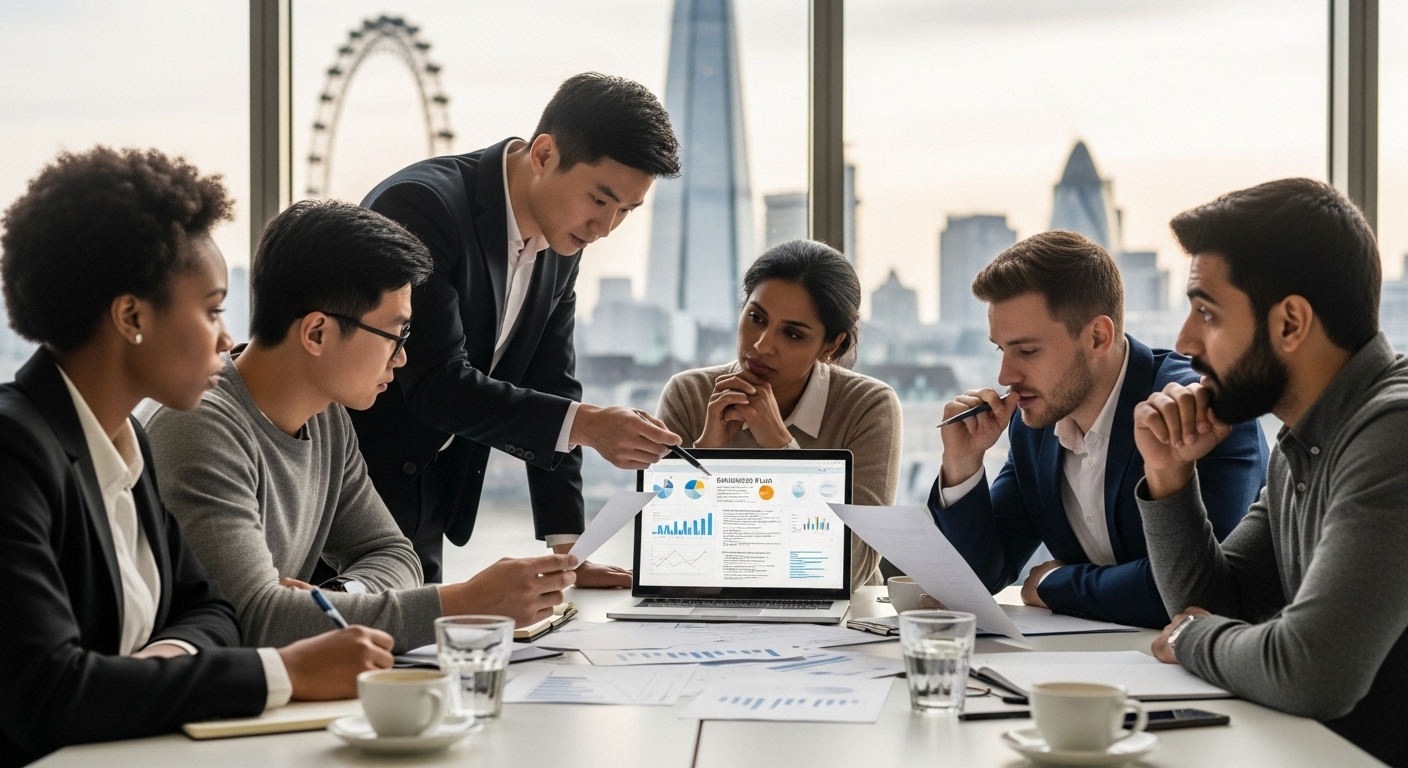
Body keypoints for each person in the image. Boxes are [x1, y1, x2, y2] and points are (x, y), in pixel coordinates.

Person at [0, 147, 393, 766]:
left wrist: (156, 661)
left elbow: (210, 612)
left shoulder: (125, 443)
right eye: (211, 309)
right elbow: (51, 692)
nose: (227, 337)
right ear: (131, 316)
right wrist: (283, 672)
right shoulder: (15, 451)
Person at [144, 200, 579, 651]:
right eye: (396, 336)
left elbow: (393, 553)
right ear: (316, 332)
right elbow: (255, 621)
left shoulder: (327, 417)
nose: (403, 358)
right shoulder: (199, 429)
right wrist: (464, 603)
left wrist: (335, 599)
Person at [350, 72, 684, 584]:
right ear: (545, 154)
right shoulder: (421, 207)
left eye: (627, 211)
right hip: (348, 489)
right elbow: (434, 382)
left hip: (430, 494)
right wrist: (591, 425)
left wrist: (569, 551)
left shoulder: (562, 242)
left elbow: (552, 385)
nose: (605, 228)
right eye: (599, 200)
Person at [1134, 178, 1408, 766]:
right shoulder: (1302, 440)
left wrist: (1188, 639)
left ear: (1289, 323)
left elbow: (1312, 670)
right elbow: (1215, 602)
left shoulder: (1394, 432)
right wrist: (1170, 475)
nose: (1184, 342)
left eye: (1206, 312)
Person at [928, 231, 1268, 628]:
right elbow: (978, 577)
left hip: (1206, 671)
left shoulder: (1198, 408)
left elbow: (1192, 592)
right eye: (1001, 349)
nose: (1006, 375)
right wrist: (962, 464)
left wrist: (1055, 583)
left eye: (1027, 351)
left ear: (1097, 337)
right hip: (1092, 662)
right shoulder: (1035, 425)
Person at [656, 240, 901, 587]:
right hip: (709, 610)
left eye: (792, 334)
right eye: (756, 318)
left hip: (837, 621)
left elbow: (855, 567)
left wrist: (780, 447)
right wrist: (706, 452)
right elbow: (666, 560)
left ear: (830, 345)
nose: (761, 345)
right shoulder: (689, 394)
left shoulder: (867, 406)